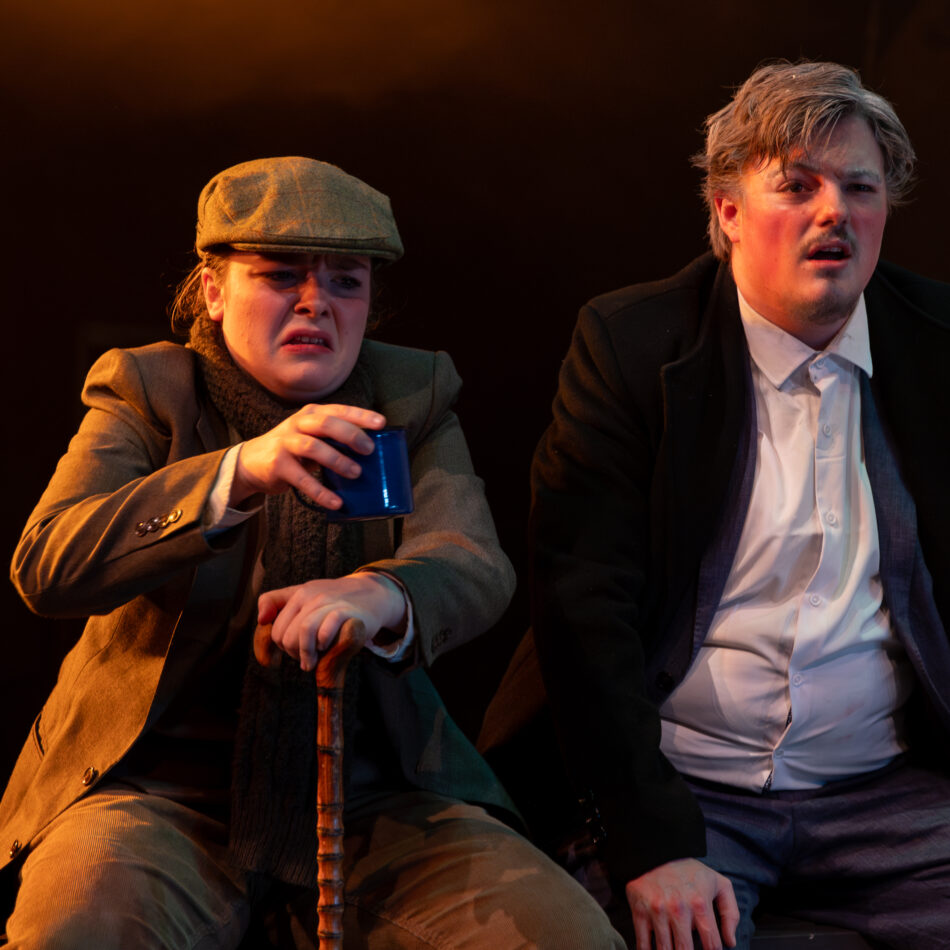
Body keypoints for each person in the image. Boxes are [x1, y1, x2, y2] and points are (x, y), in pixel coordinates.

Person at [0, 156, 623, 949]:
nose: (314, 303)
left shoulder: (409, 396)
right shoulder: (150, 392)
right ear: (213, 289)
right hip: (159, 794)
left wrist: (386, 593)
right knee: (77, 931)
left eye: (345, 282)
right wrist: (237, 473)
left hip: (375, 795)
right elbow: (49, 564)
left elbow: (471, 560)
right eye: (279, 275)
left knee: (564, 937)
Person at [525, 61, 950, 949]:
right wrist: (650, 840)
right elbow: (582, 605)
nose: (834, 211)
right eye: (797, 186)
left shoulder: (938, 341)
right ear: (727, 212)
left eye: (859, 187)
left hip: (891, 791)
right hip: (688, 790)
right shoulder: (633, 342)